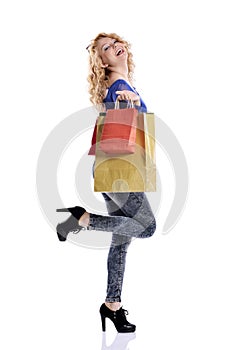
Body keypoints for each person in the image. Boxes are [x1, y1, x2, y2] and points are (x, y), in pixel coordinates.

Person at [56, 32, 156, 333]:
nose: (114, 47)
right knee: (146, 227)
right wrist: (131, 101)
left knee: (122, 241)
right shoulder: (121, 88)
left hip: (111, 170)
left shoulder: (119, 86)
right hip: (122, 172)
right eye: (105, 48)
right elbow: (121, 108)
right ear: (102, 61)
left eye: (114, 42)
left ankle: (112, 305)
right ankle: (80, 219)